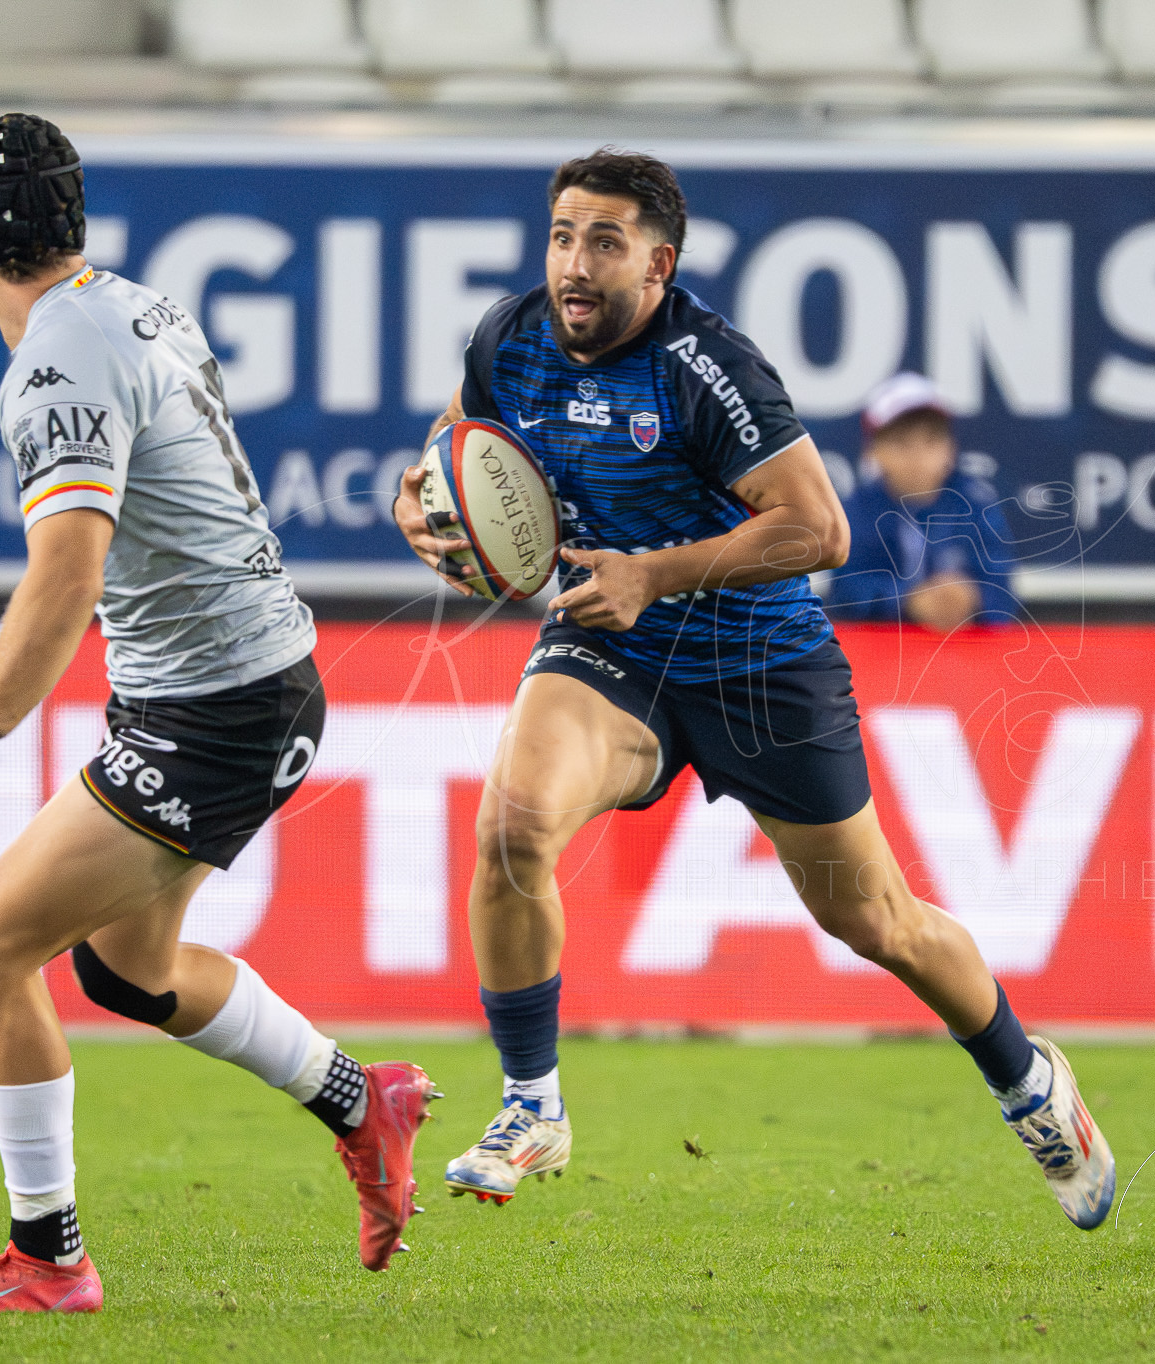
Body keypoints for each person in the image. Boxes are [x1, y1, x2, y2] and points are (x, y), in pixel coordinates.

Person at [392, 148, 1114, 1232]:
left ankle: (1027, 1082)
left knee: (876, 919)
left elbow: (816, 528)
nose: (573, 264)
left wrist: (652, 571)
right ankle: (529, 1102)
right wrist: (423, 502)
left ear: (657, 261)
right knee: (511, 827)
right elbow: (454, 447)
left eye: (603, 242)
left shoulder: (707, 366)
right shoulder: (510, 339)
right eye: (560, 235)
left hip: (759, 669)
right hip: (613, 650)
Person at [0, 113, 435, 1316]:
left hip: (216, 706)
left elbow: (67, 574)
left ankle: (48, 1259)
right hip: (244, 678)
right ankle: (358, 1097)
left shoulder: (56, 360)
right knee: (131, 971)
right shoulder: (133, 304)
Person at [827, 373, 1017, 633]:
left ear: (951, 446)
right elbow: (845, 591)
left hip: (967, 658)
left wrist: (972, 598)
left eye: (931, 441)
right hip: (880, 659)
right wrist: (908, 601)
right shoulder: (857, 509)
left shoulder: (976, 503)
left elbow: (1003, 590)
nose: (918, 456)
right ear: (873, 451)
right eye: (901, 443)